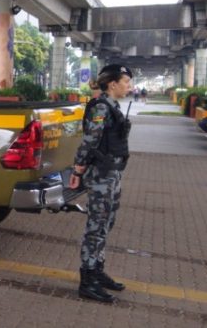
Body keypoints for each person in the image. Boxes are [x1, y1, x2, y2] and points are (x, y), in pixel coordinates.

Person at [69, 64, 133, 303]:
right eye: (126, 81)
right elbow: (89, 142)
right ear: (113, 84)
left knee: (107, 223)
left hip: (112, 175)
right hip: (101, 176)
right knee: (96, 226)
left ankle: (96, 270)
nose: (129, 86)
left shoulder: (113, 106)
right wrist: (78, 169)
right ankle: (87, 281)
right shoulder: (100, 107)